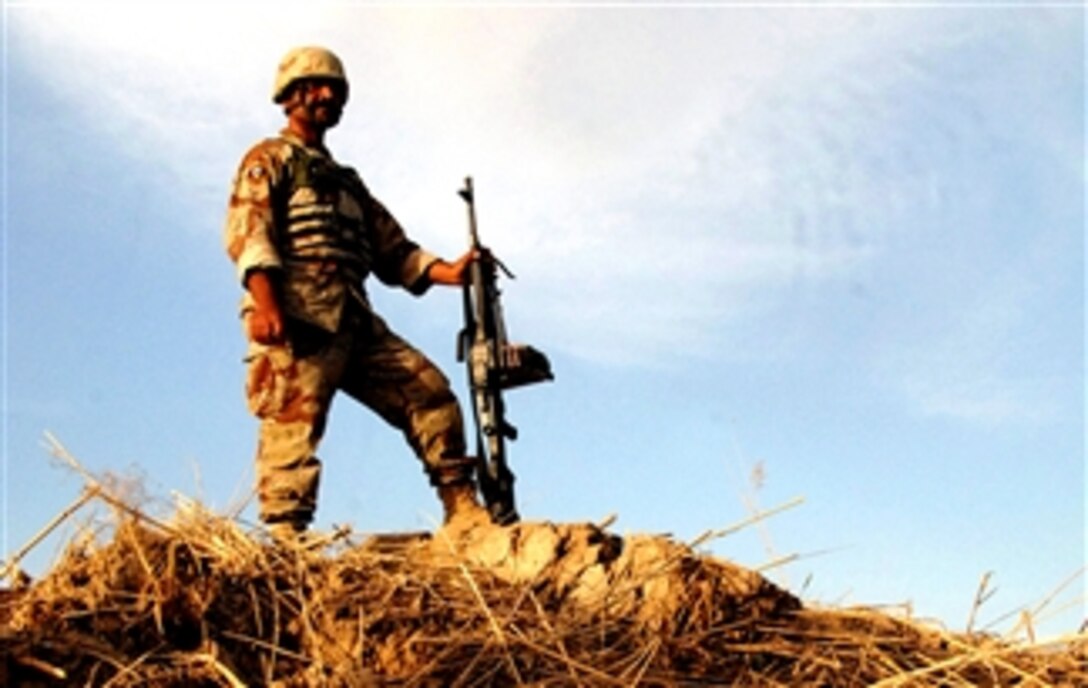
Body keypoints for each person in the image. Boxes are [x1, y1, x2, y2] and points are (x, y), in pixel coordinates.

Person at [223, 46, 488, 539]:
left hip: (353, 318)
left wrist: (453, 272)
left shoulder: (348, 183)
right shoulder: (268, 160)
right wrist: (266, 303)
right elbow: (248, 233)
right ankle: (286, 538)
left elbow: (396, 252)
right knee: (292, 432)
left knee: (428, 393)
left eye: (336, 90)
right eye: (317, 87)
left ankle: (463, 509)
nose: (328, 96)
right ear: (291, 95)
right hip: (297, 316)